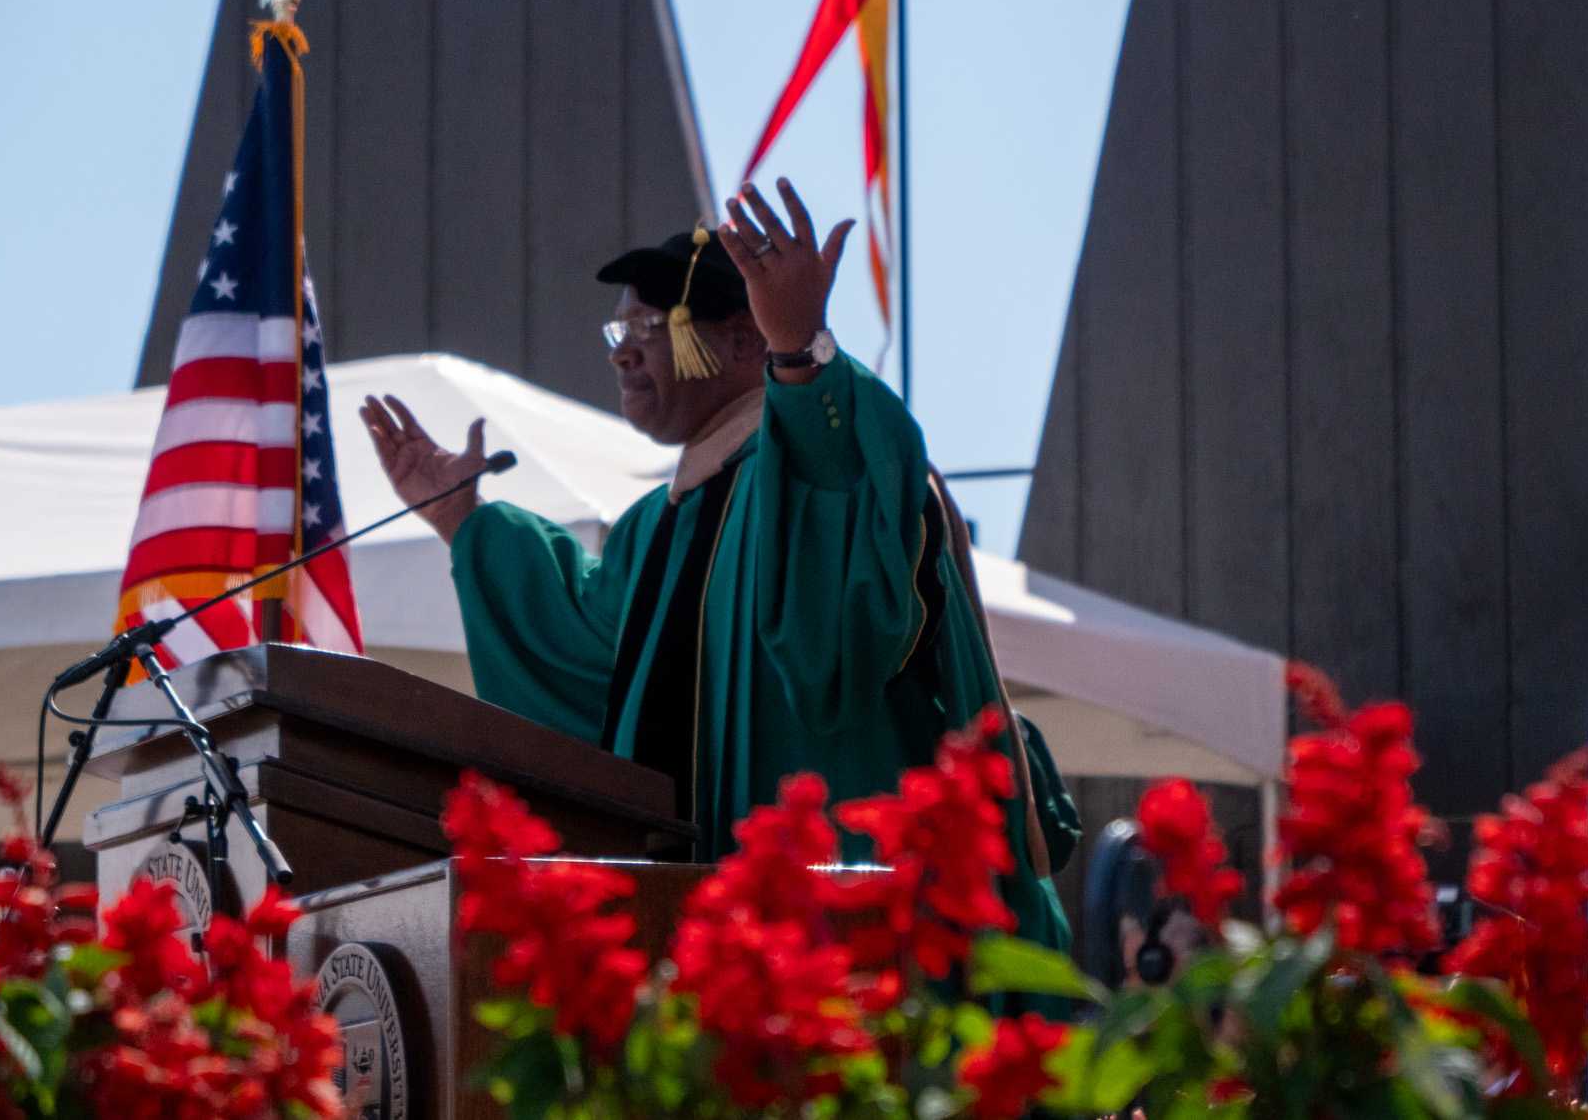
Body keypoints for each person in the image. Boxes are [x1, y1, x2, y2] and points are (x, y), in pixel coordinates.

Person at [359, 179, 1070, 954]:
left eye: (650, 324)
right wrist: (464, 522)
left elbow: (833, 629)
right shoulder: (655, 529)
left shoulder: (822, 467)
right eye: (617, 327)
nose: (623, 347)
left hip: (839, 929)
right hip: (691, 943)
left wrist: (802, 351)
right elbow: (583, 658)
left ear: (742, 340)